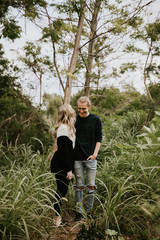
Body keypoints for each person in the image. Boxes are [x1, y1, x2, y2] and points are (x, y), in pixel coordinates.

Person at [74, 96, 102, 221]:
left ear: (89, 107)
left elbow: (98, 139)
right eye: (79, 108)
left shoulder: (96, 119)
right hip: (77, 158)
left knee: (91, 186)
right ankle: (79, 212)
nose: (81, 111)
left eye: (83, 109)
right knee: (79, 186)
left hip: (91, 158)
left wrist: (95, 154)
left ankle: (89, 212)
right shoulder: (74, 119)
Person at [50, 104, 76, 227]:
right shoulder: (63, 129)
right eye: (72, 111)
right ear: (68, 114)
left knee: (62, 191)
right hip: (62, 165)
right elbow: (64, 151)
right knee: (60, 192)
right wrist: (69, 169)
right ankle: (56, 220)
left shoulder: (67, 128)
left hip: (64, 164)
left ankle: (57, 218)